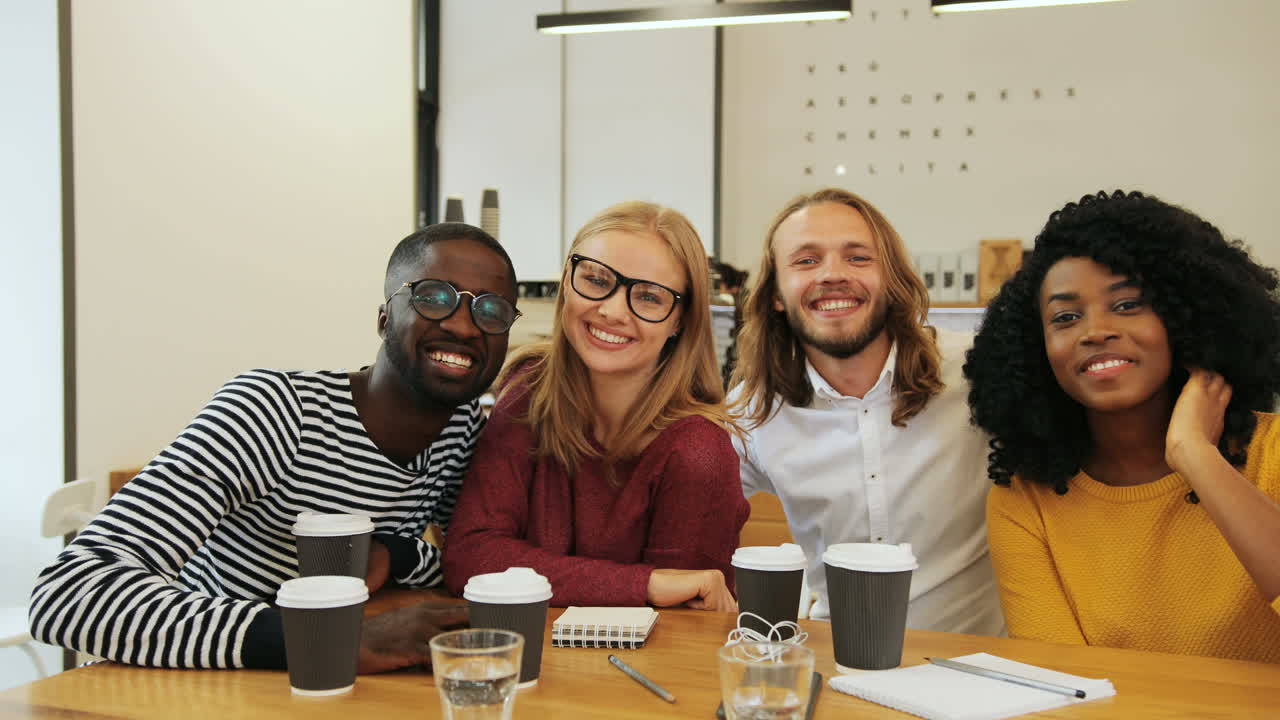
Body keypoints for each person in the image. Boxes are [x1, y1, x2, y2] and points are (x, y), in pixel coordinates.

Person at [29, 223, 520, 671]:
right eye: (433, 297)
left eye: (491, 310)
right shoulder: (272, 410)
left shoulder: (462, 430)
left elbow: (468, 562)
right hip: (207, 688)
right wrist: (327, 638)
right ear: (383, 317)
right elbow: (68, 594)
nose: (462, 325)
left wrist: (396, 553)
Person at [966, 190, 1280, 662]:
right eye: (1066, 317)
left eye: (1129, 304)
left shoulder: (1272, 452)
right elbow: (1063, 685)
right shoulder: (1026, 496)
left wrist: (1196, 455)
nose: (1095, 331)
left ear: (1185, 317)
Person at [443, 201, 747, 611]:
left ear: (681, 320)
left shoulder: (698, 452)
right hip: (526, 657)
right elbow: (471, 557)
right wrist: (646, 585)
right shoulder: (528, 389)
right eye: (596, 279)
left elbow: (685, 619)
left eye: (650, 297)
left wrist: (635, 587)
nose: (612, 310)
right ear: (567, 279)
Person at [728, 187, 1003, 634]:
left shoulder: (979, 371)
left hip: (976, 667)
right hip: (839, 661)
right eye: (806, 260)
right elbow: (678, 506)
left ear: (891, 280)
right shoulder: (753, 410)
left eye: (858, 257)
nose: (833, 274)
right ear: (775, 293)